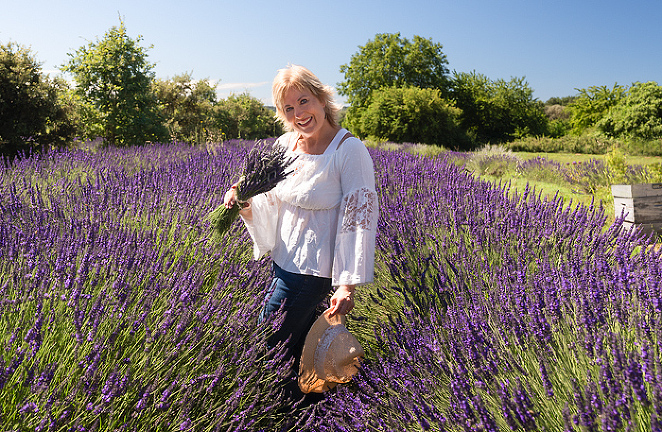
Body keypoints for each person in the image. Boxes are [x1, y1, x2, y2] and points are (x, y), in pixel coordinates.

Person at [223, 64, 378, 397]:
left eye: (304, 101)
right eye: (289, 108)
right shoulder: (285, 145)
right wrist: (243, 200)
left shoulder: (348, 150)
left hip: (312, 271)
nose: (299, 114)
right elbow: (271, 199)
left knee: (269, 341)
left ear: (322, 99)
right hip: (283, 261)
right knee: (297, 348)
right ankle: (306, 407)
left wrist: (346, 284)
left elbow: (359, 219)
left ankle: (275, 407)